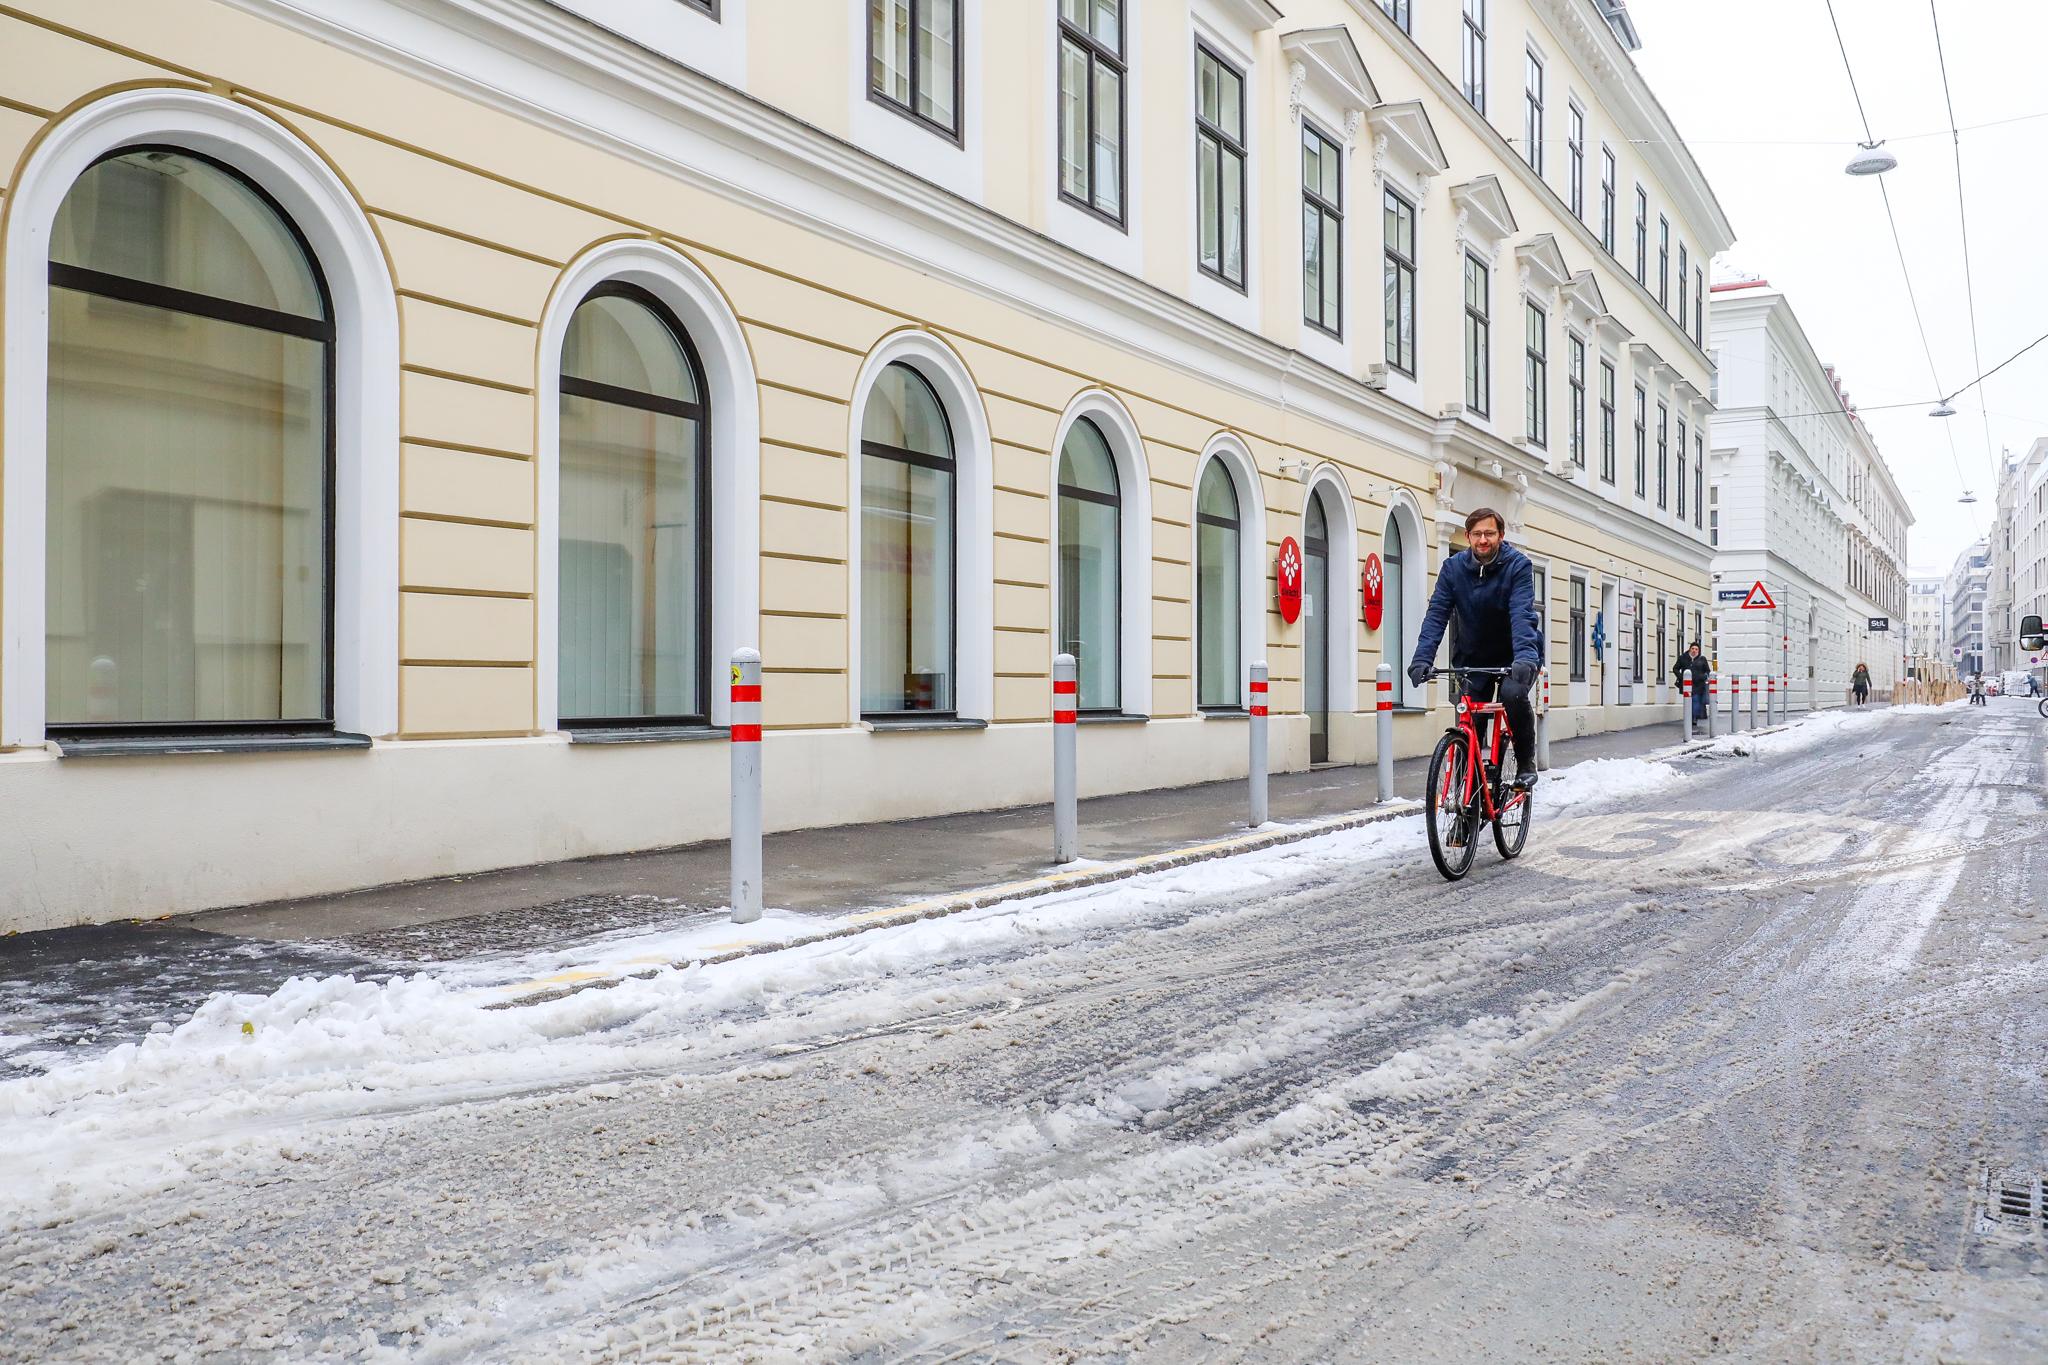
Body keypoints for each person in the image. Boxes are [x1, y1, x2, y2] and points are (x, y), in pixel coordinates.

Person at [1406, 507, 1544, 791]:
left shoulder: (1518, 566)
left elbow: (1522, 615)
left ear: (1501, 536)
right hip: (1473, 658)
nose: (1483, 540)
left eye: (1490, 534)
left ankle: (1526, 762)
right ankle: (1464, 811)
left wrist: (1526, 658)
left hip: (1515, 657)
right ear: (1467, 536)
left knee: (1512, 694)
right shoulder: (1453, 569)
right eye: (1477, 534)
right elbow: (1436, 615)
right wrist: (1422, 659)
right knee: (1469, 732)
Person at [1673, 641, 1710, 724]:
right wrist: (1681, 677)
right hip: (1687, 685)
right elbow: (1675, 668)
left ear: (1698, 651)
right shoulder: (1683, 658)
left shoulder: (1702, 659)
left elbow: (1707, 671)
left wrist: (1704, 677)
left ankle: (1694, 718)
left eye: (1696, 649)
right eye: (1692, 648)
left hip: (1699, 685)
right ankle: (1690, 717)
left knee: (1696, 700)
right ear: (1689, 649)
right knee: (1689, 701)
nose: (1694, 650)